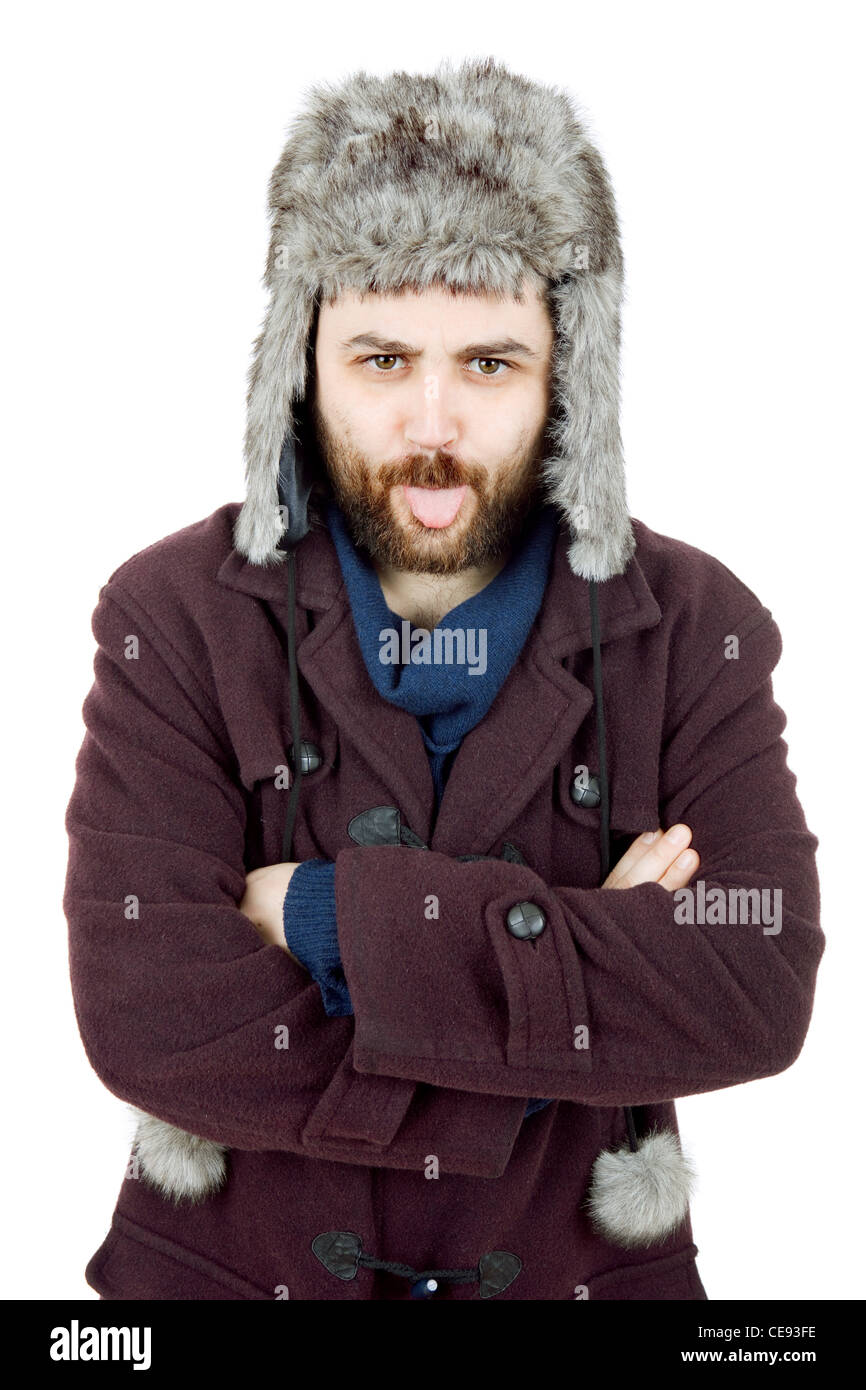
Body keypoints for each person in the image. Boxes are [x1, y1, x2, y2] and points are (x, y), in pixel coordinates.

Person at [64, 56, 824, 1301]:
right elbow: (152, 1018)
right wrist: (581, 981)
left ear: (565, 376)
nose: (430, 422)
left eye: (486, 362)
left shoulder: (693, 626)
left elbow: (753, 979)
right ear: (300, 370)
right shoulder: (171, 616)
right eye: (379, 358)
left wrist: (318, 916)